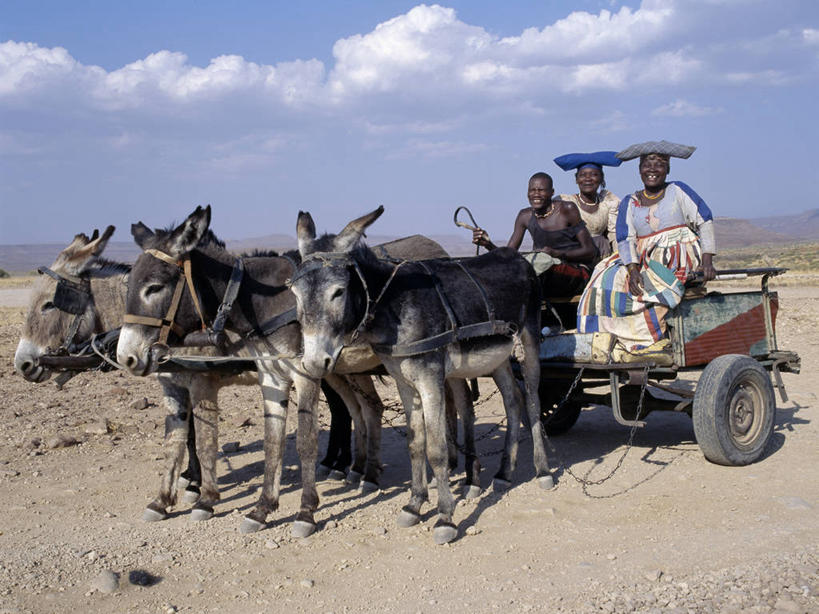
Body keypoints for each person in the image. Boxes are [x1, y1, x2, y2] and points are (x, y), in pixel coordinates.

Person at [577, 140, 716, 353]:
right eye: (646, 166)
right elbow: (625, 239)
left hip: (677, 254)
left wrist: (707, 261)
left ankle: (647, 339)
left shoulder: (678, 190)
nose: (652, 170)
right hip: (641, 256)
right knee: (604, 277)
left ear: (668, 169)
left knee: (652, 284)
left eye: (659, 165)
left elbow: (704, 220)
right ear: (639, 170)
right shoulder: (630, 201)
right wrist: (632, 270)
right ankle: (605, 339)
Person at [472, 172, 597, 298]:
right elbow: (509, 256)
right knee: (508, 269)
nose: (536, 194)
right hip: (542, 271)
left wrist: (557, 253)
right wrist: (488, 244)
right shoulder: (524, 216)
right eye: (532, 190)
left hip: (574, 272)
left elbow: (590, 252)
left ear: (552, 192)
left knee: (539, 267)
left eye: (541, 190)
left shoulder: (567, 209)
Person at [554, 151, 622, 259]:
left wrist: (619, 257)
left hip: (601, 255)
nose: (588, 179)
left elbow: (614, 234)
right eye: (583, 175)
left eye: (594, 174)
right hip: (571, 255)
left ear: (601, 178)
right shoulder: (565, 202)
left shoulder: (608, 202)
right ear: (576, 179)